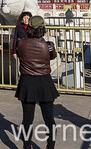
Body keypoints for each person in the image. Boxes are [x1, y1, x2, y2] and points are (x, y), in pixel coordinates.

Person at [14, 15, 58, 149]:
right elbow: (52, 56)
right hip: (44, 82)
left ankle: (27, 146)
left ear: (29, 28)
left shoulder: (21, 44)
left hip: (27, 82)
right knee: (49, 119)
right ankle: (50, 146)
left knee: (27, 119)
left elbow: (20, 54)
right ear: (43, 29)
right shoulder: (49, 46)